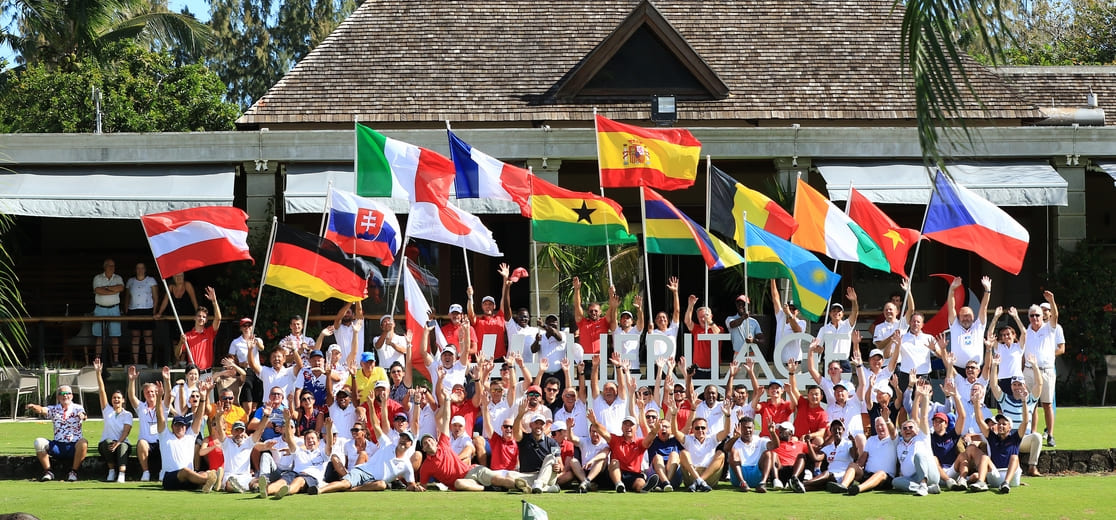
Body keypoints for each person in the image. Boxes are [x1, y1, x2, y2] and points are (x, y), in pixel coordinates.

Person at [419, 385, 523, 491]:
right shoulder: (427, 465)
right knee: (458, 483)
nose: (428, 442)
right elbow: (421, 486)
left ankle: (522, 487)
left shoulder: (447, 441)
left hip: (471, 470)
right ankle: (489, 488)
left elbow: (468, 448)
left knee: (498, 479)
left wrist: (454, 460)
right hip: (463, 481)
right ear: (423, 449)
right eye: (425, 443)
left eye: (430, 440)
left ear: (436, 442)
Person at [156, 379, 221, 492]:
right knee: (185, 471)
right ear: (172, 426)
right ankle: (209, 482)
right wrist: (158, 398)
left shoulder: (190, 436)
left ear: (186, 427)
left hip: (189, 480)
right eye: (177, 425)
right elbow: (160, 417)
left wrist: (203, 398)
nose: (179, 427)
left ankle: (206, 481)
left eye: (182, 425)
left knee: (203, 473)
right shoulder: (165, 436)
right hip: (170, 478)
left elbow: (199, 418)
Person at [989, 356, 1044, 477]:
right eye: (1014, 385)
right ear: (1011, 386)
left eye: (1020, 384)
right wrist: (994, 366)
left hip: (1023, 438)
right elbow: (993, 384)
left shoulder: (1030, 400)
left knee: (1037, 437)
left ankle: (1032, 467)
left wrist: (1034, 366)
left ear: (1024, 386)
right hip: (1008, 439)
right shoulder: (1004, 399)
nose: (1017, 387)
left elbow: (1039, 384)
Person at [588, 408, 660, 493]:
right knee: (614, 462)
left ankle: (644, 488)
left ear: (636, 428)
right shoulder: (615, 439)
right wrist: (594, 422)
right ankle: (619, 485)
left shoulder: (639, 442)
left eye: (631, 425)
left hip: (633, 475)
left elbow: (649, 438)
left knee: (640, 483)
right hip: (616, 474)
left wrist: (655, 431)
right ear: (622, 428)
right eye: (625, 424)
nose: (628, 427)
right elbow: (603, 432)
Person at [27, 385, 88, 482]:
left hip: (73, 446)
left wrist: (82, 416)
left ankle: (73, 472)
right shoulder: (54, 409)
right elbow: (42, 409)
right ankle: (48, 471)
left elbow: (84, 415)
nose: (65, 396)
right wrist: (34, 407)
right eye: (62, 394)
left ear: (72, 396)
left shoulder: (78, 408)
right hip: (58, 446)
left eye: (68, 393)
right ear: (58, 397)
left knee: (83, 442)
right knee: (39, 442)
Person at [1023, 292, 1061, 447]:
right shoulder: (1027, 330)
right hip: (1029, 371)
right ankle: (1033, 433)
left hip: (1046, 371)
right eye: (1032, 316)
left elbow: (1055, 316)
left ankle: (1050, 434)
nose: (1035, 318)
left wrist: (1051, 300)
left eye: (1037, 315)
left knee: (1047, 404)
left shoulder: (1049, 328)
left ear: (1042, 316)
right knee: (1031, 404)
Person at [891, 380, 941, 496]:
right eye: (905, 428)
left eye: (910, 427)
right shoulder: (899, 445)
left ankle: (924, 485)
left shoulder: (922, 436)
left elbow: (922, 417)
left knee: (919, 456)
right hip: (913, 478)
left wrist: (923, 397)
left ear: (917, 430)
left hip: (931, 474)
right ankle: (926, 488)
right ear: (901, 431)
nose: (908, 429)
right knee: (896, 481)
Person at [91, 358, 132, 482]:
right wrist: (98, 373)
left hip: (122, 443)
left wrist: (118, 443)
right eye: (114, 398)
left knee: (123, 446)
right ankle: (111, 471)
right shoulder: (107, 410)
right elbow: (101, 390)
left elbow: (126, 432)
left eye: (119, 398)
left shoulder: (127, 414)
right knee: (108, 442)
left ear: (123, 400)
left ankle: (121, 474)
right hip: (107, 444)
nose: (116, 400)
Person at [127, 365, 166, 481]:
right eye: (148, 392)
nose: (151, 394)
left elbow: (168, 396)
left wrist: (167, 381)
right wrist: (132, 380)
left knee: (167, 443)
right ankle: (146, 472)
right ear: (144, 394)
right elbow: (131, 396)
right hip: (147, 443)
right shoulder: (141, 407)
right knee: (141, 443)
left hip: (160, 442)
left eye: (153, 392)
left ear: (157, 392)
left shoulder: (163, 405)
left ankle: (163, 471)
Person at [212, 412, 267, 493]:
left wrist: (266, 416)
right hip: (230, 476)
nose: (239, 433)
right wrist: (218, 417)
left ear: (244, 432)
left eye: (241, 431)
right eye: (236, 430)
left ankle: (257, 488)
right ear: (232, 431)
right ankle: (241, 488)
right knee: (229, 484)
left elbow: (259, 430)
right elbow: (220, 430)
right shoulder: (226, 442)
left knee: (256, 481)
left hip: (246, 477)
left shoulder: (248, 442)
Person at [467, 263, 512, 360]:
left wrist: (505, 279)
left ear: (494, 306)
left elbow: (504, 299)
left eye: (490, 304)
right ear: (482, 306)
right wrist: (470, 297)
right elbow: (470, 314)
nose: (488, 306)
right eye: (485, 304)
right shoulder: (478, 321)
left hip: (499, 357)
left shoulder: (500, 317)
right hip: (482, 359)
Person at [802, 420, 861, 493]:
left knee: (826, 473)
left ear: (843, 430)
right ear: (831, 431)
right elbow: (816, 458)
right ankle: (801, 487)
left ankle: (804, 483)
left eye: (839, 429)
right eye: (834, 429)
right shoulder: (828, 447)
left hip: (844, 475)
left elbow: (855, 456)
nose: (837, 431)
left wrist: (853, 442)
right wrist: (808, 442)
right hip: (831, 477)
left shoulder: (848, 443)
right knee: (812, 487)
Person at [513, 405, 563, 494]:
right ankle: (547, 489)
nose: (539, 426)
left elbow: (560, 464)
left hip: (548, 477)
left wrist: (558, 468)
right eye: (536, 423)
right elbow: (516, 432)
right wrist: (520, 415)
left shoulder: (553, 443)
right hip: (527, 475)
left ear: (544, 426)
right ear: (531, 425)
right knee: (510, 478)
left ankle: (538, 484)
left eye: (541, 424)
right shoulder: (524, 439)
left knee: (551, 458)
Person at [946, 276, 991, 371]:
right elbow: (951, 307)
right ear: (958, 317)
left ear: (974, 317)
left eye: (968, 315)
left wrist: (987, 290)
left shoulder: (979, 326)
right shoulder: (955, 326)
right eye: (963, 316)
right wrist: (952, 289)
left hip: (977, 369)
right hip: (957, 369)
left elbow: (984, 308)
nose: (966, 318)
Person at [845, 415, 897, 495]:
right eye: (877, 426)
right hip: (867, 474)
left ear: (886, 425)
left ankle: (858, 489)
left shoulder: (893, 440)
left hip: (885, 478)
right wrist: (856, 467)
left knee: (881, 473)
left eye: (882, 425)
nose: (879, 428)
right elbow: (862, 460)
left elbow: (893, 432)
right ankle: (843, 486)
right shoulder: (871, 439)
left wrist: (887, 420)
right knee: (852, 465)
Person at [572, 276, 612, 375]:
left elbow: (612, 309)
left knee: (600, 389)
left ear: (600, 312)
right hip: (584, 362)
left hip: (600, 362)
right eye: (591, 311)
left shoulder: (604, 322)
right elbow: (577, 306)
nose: (593, 313)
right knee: (583, 388)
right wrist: (577, 290)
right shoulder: (582, 322)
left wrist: (611, 295)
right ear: (587, 312)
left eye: (596, 311)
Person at [175, 286, 221, 371]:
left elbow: (218, 318)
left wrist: (214, 301)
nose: (201, 318)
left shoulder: (210, 332)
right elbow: (177, 354)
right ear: (194, 318)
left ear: (206, 320)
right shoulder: (187, 335)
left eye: (204, 317)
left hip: (207, 373)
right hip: (193, 373)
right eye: (199, 316)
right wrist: (181, 342)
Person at [726, 414, 774, 492]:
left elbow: (774, 445)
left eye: (749, 428)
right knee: (733, 451)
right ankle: (742, 483)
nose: (747, 430)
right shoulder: (735, 440)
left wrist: (772, 433)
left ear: (753, 428)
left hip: (755, 474)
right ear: (739, 428)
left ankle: (762, 483)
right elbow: (726, 449)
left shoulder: (760, 440)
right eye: (744, 428)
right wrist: (735, 438)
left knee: (768, 454)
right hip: (738, 476)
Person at [124, 261, 158, 366]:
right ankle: (136, 362)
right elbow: (127, 297)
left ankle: (148, 361)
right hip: (133, 310)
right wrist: (126, 309)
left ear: (145, 269)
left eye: (142, 268)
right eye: (138, 268)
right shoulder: (131, 281)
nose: (140, 270)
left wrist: (154, 311)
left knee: (148, 336)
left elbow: (155, 296)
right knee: (135, 336)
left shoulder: (151, 280)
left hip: (147, 309)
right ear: (135, 269)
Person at [816, 287, 859, 369]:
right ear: (830, 313)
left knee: (846, 382)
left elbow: (855, 312)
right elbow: (818, 346)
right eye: (834, 311)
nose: (836, 313)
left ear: (842, 314)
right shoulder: (824, 329)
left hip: (844, 362)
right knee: (828, 382)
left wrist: (854, 301)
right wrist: (819, 349)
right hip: (829, 362)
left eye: (839, 311)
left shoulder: (847, 325)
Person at [228, 317, 265, 415]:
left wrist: (256, 342)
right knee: (247, 405)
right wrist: (239, 364)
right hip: (245, 371)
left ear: (252, 327)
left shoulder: (257, 339)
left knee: (255, 406)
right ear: (241, 328)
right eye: (244, 325)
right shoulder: (236, 342)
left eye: (249, 325)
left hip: (257, 371)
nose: (247, 328)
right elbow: (231, 358)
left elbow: (262, 348)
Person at [92, 258, 125, 366]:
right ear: (105, 266)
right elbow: (98, 290)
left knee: (115, 335)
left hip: (114, 309)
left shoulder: (118, 278)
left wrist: (106, 289)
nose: (112, 268)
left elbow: (120, 288)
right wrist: (112, 290)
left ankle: (115, 360)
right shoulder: (97, 278)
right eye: (110, 266)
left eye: (113, 266)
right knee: (99, 336)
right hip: (100, 308)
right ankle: (97, 360)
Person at [989, 306, 1027, 396]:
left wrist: (1016, 317)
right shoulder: (1000, 347)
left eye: (1008, 334)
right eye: (1003, 335)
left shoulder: (1018, 346)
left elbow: (1024, 332)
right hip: (1002, 379)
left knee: (1018, 406)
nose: (1006, 337)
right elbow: (990, 334)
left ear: (1014, 335)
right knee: (1001, 409)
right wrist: (996, 317)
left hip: (1017, 380)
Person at [872, 280, 914, 358]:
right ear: (883, 312)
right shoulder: (879, 327)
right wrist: (892, 337)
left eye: (890, 309)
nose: (888, 311)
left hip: (901, 362)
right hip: (885, 364)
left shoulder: (902, 323)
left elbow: (911, 310)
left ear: (896, 312)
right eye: (886, 310)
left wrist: (908, 292)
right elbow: (879, 346)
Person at [683, 294, 721, 379]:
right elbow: (687, 321)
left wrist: (710, 322)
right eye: (700, 317)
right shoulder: (697, 329)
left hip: (713, 369)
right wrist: (691, 305)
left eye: (705, 316)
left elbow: (718, 333)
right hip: (698, 370)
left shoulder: (718, 328)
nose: (703, 319)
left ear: (711, 316)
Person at [647, 276, 681, 363]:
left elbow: (676, 311)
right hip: (656, 366)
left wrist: (675, 292)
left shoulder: (673, 329)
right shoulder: (652, 332)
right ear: (655, 321)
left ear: (668, 321)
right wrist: (650, 331)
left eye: (664, 317)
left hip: (670, 366)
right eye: (658, 317)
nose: (661, 319)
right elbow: (649, 346)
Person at [610, 291, 644, 374]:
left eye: (628, 318)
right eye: (623, 318)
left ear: (632, 321)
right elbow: (613, 320)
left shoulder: (636, 331)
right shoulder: (617, 331)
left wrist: (639, 309)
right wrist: (614, 308)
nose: (625, 319)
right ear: (620, 320)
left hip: (634, 368)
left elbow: (641, 321)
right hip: (619, 368)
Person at [725, 294, 764, 359]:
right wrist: (743, 317)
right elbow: (733, 324)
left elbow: (762, 339)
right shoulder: (730, 319)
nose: (740, 306)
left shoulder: (754, 321)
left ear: (748, 306)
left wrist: (753, 340)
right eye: (738, 304)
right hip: (738, 354)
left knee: (751, 370)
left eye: (743, 304)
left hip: (751, 354)